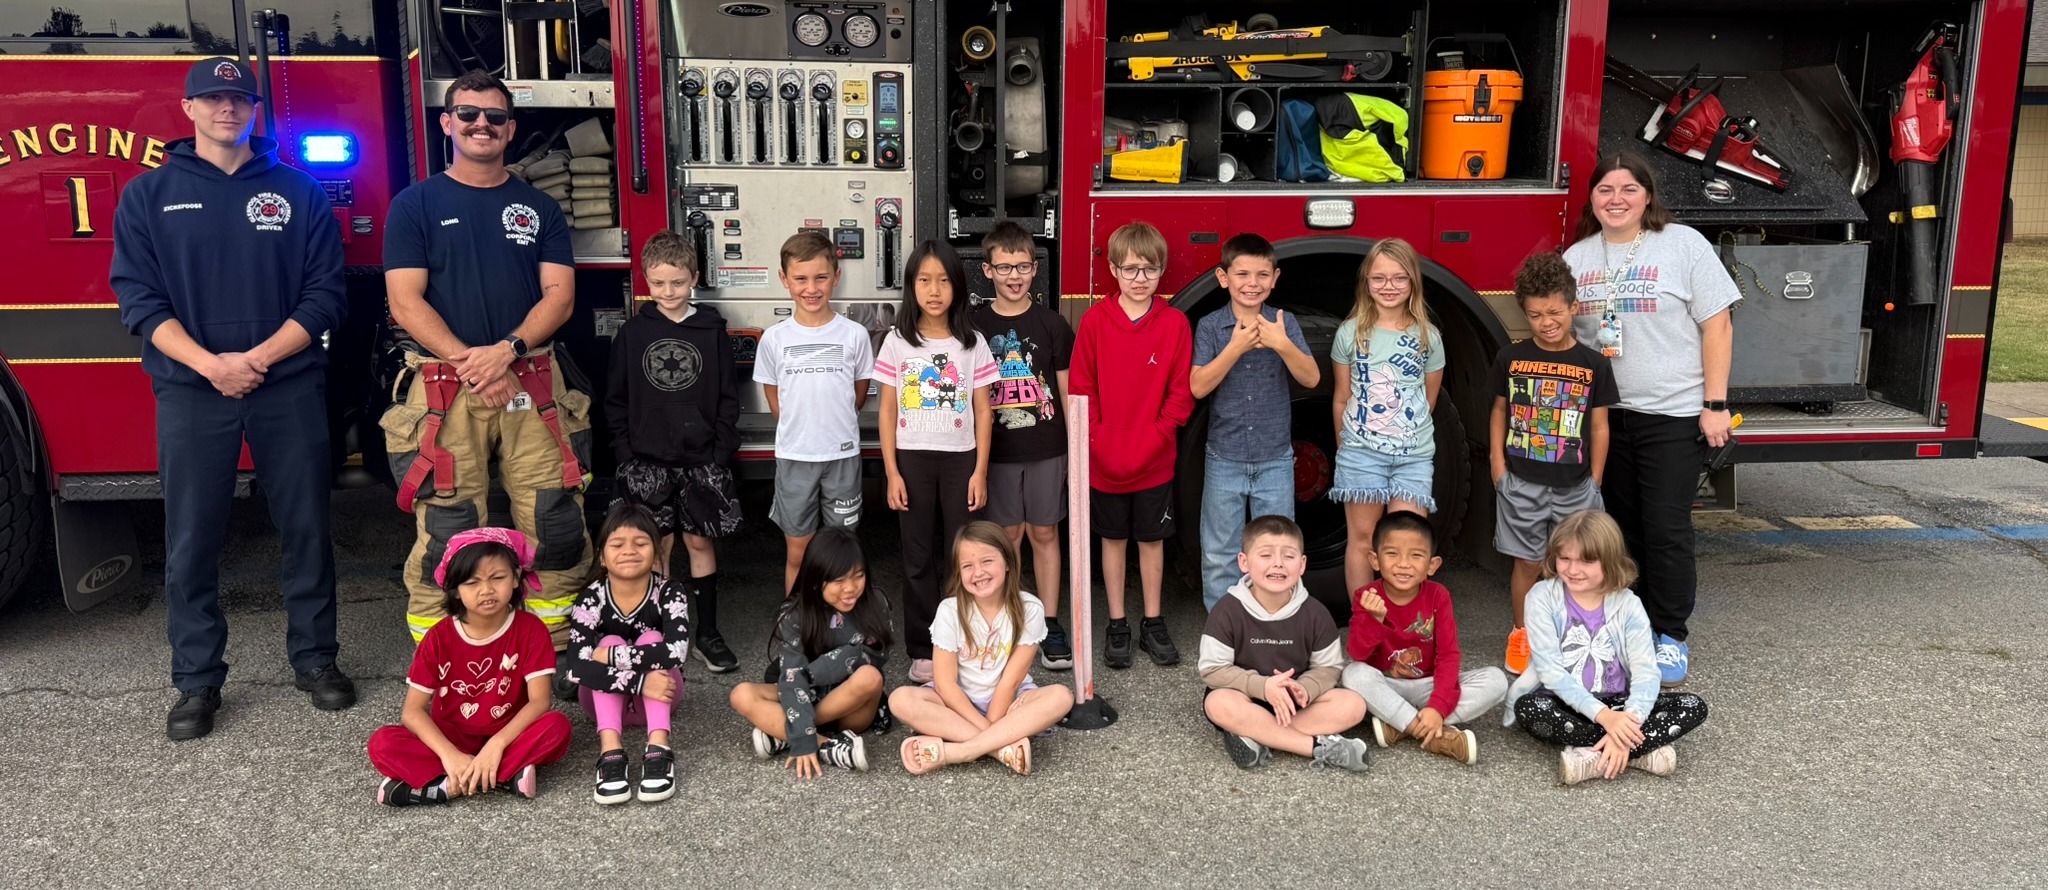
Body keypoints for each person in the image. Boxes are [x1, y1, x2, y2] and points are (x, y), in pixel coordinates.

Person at [111, 57, 353, 740]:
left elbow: (325, 295)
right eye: (213, 98)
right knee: (192, 537)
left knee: (305, 528)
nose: (227, 108)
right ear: (188, 108)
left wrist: (256, 360)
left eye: (240, 99)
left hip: (288, 386)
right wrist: (211, 366)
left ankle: (316, 659)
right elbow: (139, 300)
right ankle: (196, 681)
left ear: (254, 110)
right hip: (192, 391)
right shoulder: (149, 195)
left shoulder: (299, 191)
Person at [384, 70, 593, 651]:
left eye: (495, 117)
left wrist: (505, 352)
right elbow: (405, 301)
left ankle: (550, 649)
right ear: (447, 123)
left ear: (511, 128)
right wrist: (473, 365)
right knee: (448, 526)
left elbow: (560, 297)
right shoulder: (415, 205)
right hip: (444, 387)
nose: (483, 125)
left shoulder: (539, 208)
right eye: (469, 114)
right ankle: (445, 653)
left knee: (554, 520)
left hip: (531, 380)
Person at [1563, 153, 1741, 685]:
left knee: (1665, 529)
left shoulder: (1683, 245)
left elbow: (1718, 325)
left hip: (1673, 413)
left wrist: (1715, 406)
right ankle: (1630, 625)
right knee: (1620, 530)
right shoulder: (1576, 256)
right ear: (1591, 198)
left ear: (1647, 196)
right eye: (1605, 190)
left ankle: (1670, 634)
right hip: (1607, 418)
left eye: (1629, 189)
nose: (1616, 199)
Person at [606, 230, 743, 673]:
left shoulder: (712, 331)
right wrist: (626, 453)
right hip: (646, 461)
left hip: (701, 460)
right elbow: (616, 398)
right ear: (646, 280)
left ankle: (707, 633)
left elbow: (728, 396)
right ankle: (662, 631)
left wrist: (720, 453)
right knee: (657, 546)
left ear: (694, 279)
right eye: (659, 283)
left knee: (700, 541)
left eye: (678, 283)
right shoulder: (633, 333)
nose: (668, 292)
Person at [367, 528, 573, 806]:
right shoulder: (438, 637)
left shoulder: (531, 629)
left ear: (516, 577)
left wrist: (496, 744)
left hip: (509, 733)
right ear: (454, 589)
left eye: (497, 577)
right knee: (382, 742)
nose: (486, 590)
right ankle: (501, 776)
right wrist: (449, 754)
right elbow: (412, 711)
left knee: (557, 727)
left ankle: (444, 786)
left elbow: (540, 701)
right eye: (472, 582)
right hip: (451, 735)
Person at [1505, 511, 1710, 786]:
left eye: (1586, 560)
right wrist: (1605, 718)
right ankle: (1638, 751)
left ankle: (1595, 755)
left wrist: (1629, 718)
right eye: (1564, 558)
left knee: (1693, 706)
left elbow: (1646, 672)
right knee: (1529, 708)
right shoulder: (1541, 597)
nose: (1572, 569)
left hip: (1618, 702)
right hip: (1562, 700)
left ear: (1610, 560)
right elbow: (1551, 672)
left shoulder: (1628, 604)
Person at [1070, 221, 1195, 668]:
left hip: (1154, 460)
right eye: (1130, 269)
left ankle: (1153, 622)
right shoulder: (1095, 322)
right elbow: (1082, 391)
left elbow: (1180, 394)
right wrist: (1100, 442)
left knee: (1152, 541)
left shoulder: (1175, 324)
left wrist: (1156, 437)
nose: (1140, 279)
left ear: (1161, 270)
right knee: (1113, 540)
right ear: (1113, 270)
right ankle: (1117, 623)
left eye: (1150, 269)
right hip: (1105, 459)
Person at [1490, 252, 1619, 674]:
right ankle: (1522, 633)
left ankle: (1574, 637)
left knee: (1578, 564)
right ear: (1524, 312)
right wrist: (1497, 467)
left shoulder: (1593, 364)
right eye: (1535, 314)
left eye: (1555, 312)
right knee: (1527, 563)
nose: (1546, 322)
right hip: (1520, 482)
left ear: (1573, 306)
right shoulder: (1510, 358)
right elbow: (1499, 412)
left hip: (1576, 485)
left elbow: (1599, 425)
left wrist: (1595, 480)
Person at [875, 241, 998, 684]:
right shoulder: (897, 341)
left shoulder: (972, 343)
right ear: (911, 286)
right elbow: (887, 411)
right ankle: (923, 648)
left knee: (963, 555)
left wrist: (980, 470)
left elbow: (983, 410)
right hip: (912, 460)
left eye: (944, 281)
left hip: (960, 460)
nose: (934, 290)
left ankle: (962, 641)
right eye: (924, 280)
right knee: (917, 557)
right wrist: (892, 472)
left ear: (957, 287)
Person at [1190, 233, 1320, 611]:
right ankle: (1224, 628)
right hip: (1224, 458)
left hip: (1275, 460)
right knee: (1219, 553)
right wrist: (1235, 348)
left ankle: (1274, 624)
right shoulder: (1211, 326)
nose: (1252, 283)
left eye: (1262, 275)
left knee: (1277, 551)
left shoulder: (1284, 323)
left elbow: (1311, 377)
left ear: (1275, 278)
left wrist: (1282, 343)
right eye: (1242, 274)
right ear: (1223, 277)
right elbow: (1198, 386)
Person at [970, 222, 1077, 671]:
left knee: (1045, 533)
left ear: (1035, 269)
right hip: (997, 452)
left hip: (1047, 447)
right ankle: (1012, 616)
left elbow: (1067, 392)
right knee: (1008, 536)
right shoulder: (974, 327)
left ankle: (1049, 620)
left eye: (1022, 267)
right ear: (987, 270)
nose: (1014, 276)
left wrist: (1076, 450)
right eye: (1004, 267)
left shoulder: (1052, 325)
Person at [893, 522, 1073, 775]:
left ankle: (959, 752)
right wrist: (989, 729)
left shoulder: (1030, 608)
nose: (978, 572)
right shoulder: (949, 610)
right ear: (958, 572)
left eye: (987, 561)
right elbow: (945, 685)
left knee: (1062, 696)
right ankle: (1000, 748)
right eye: (967, 566)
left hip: (1009, 701)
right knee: (900, 700)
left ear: (1008, 562)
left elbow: (1010, 682)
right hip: (956, 703)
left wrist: (983, 731)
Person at [1199, 515, 1371, 771]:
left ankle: (1255, 735)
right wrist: (1263, 686)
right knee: (1217, 703)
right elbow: (1212, 670)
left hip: (1295, 703)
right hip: (1246, 697)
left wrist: (1305, 688)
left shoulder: (1316, 613)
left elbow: (1329, 668)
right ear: (1244, 562)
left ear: (1302, 564)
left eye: (1289, 556)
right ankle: (1316, 747)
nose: (1278, 563)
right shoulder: (1227, 610)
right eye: (1265, 555)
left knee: (1353, 705)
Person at [753, 231, 873, 594]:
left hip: (841, 456)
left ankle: (842, 619)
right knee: (798, 551)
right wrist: (799, 428)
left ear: (836, 277)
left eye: (821, 277)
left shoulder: (854, 335)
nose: (811, 288)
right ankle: (796, 618)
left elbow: (859, 392)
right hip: (795, 456)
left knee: (842, 549)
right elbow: (774, 395)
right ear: (784, 279)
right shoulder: (775, 339)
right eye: (801, 279)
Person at [1339, 510, 1507, 765]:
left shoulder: (1438, 595)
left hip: (1428, 685)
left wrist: (1437, 706)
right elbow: (1358, 653)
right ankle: (1432, 732)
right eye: (1392, 553)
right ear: (1374, 560)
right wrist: (1375, 620)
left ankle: (1402, 724)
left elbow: (1448, 655)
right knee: (1353, 674)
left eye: (1416, 555)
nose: (1403, 564)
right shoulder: (1367, 595)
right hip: (1387, 685)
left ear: (1432, 565)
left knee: (1496, 680)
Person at [1329, 238, 1444, 595]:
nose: (1388, 286)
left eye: (1399, 278)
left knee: (1405, 544)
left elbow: (1428, 398)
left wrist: (1402, 433)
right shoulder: (1349, 333)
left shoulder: (1428, 336)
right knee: (1363, 539)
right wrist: (1346, 448)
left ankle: (1402, 623)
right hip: (1361, 453)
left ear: (1413, 281)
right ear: (1366, 281)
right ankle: (1365, 622)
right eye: (1379, 278)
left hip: (1413, 457)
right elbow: (1342, 397)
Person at [729, 527, 890, 777]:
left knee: (870, 677)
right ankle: (826, 745)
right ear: (815, 579)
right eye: (838, 581)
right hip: (801, 692)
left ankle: (785, 733)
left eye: (858, 576)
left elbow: (877, 655)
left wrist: (817, 670)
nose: (850, 588)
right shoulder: (794, 613)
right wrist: (804, 739)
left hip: (851, 706)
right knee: (741, 694)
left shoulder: (876, 601)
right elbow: (792, 677)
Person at [564, 504, 691, 805]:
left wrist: (608, 656)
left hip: (661, 695)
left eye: (641, 543)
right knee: (611, 638)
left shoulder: (669, 591)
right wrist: (640, 683)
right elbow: (576, 667)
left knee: (650, 638)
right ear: (602, 556)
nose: (629, 551)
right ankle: (610, 751)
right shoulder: (591, 596)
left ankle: (659, 746)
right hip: (608, 704)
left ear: (657, 551)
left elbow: (676, 651)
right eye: (617, 544)